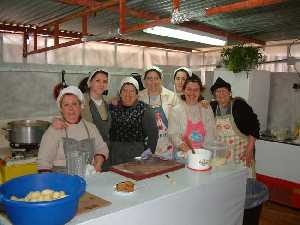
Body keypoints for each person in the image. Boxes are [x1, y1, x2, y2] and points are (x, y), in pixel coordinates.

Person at [37, 86, 109, 172]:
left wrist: (98, 163)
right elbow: (43, 162)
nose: (71, 109)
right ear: (61, 109)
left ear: (80, 106)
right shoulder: (54, 130)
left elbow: (101, 148)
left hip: (88, 178)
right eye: (66, 105)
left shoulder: (90, 128)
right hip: (61, 180)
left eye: (74, 104)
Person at [210, 77, 260, 177]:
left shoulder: (239, 106)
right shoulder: (212, 106)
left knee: (243, 183)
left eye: (224, 91)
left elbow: (254, 127)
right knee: (224, 182)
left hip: (241, 153)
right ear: (214, 95)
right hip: (222, 155)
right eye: (218, 91)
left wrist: (249, 151)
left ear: (230, 93)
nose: (221, 93)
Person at [109, 77, 158, 165]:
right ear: (120, 93)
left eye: (132, 91)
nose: (128, 94)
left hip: (136, 153)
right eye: (124, 90)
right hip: (115, 154)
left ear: (137, 94)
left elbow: (153, 136)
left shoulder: (145, 109)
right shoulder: (112, 107)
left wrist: (147, 155)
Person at [53, 69, 111, 143]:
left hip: (104, 146)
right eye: (98, 81)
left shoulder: (108, 101)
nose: (101, 84)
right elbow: (65, 114)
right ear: (90, 83)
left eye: (105, 81)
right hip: (84, 145)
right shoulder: (79, 100)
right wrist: (56, 120)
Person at [168, 74, 216, 156]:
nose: (192, 93)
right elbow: (173, 134)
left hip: (203, 154)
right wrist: (186, 149)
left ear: (200, 91)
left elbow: (211, 133)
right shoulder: (176, 110)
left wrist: (203, 152)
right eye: (189, 89)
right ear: (184, 90)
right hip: (182, 155)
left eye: (196, 90)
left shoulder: (206, 109)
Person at [139, 66, 175, 159]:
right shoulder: (139, 96)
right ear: (144, 81)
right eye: (149, 79)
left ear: (161, 80)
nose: (153, 82)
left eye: (156, 78)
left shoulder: (171, 96)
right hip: (147, 143)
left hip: (167, 142)